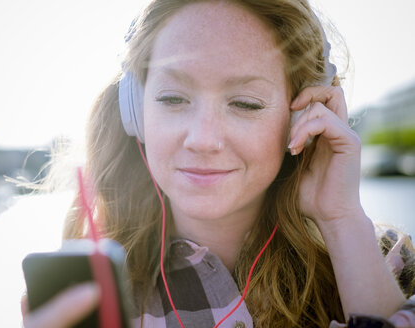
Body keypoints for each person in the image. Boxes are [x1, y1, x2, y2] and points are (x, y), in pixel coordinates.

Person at [22, 0, 415, 327]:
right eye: (173, 98)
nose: (203, 140)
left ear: (304, 116)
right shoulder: (91, 295)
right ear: (134, 113)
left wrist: (341, 218)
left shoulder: (383, 264)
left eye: (245, 103)